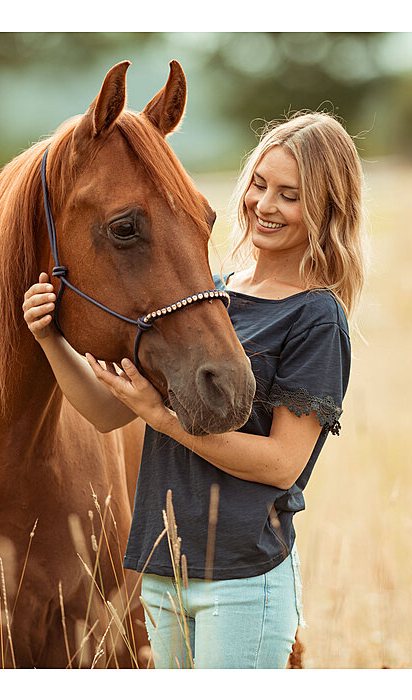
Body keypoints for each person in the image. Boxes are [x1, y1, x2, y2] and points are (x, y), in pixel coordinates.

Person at [22, 111, 366, 668]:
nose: (265, 205)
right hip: (163, 574)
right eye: (259, 184)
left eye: (290, 195)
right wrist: (49, 339)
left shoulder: (316, 317)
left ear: (325, 209)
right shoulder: (212, 296)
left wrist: (162, 420)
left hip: (243, 581)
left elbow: (282, 463)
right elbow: (108, 413)